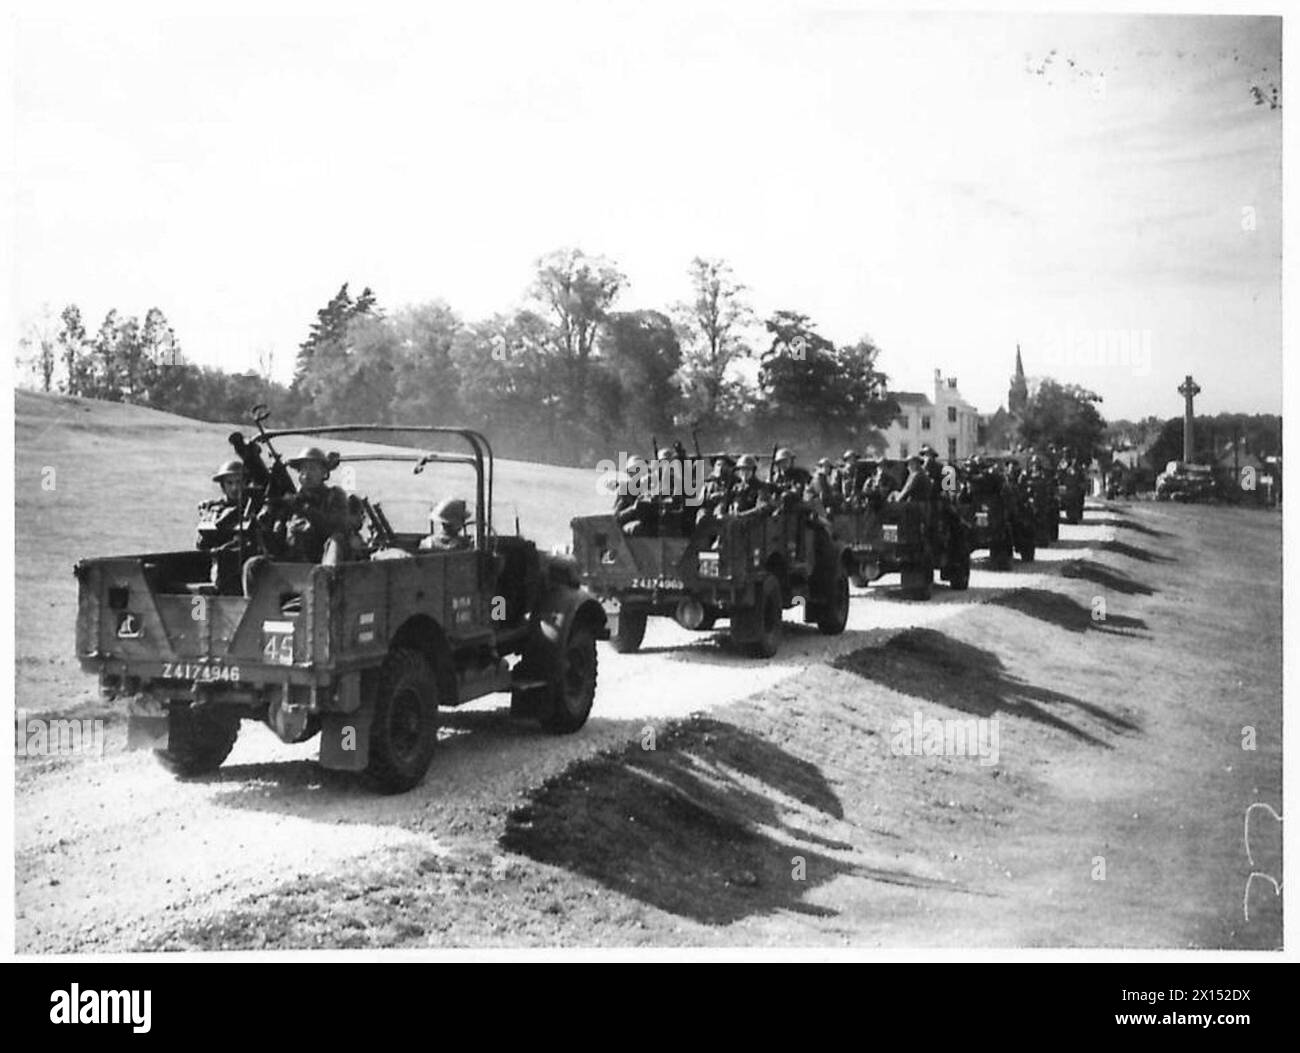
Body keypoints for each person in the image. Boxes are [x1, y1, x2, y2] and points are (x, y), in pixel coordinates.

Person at [260, 446, 350, 564]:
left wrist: (305, 509)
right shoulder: (293, 499)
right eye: (303, 469)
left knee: (336, 539)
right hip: (291, 566)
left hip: (322, 563)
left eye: (312, 468)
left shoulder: (334, 495)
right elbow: (273, 531)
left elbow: (339, 527)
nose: (307, 474)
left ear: (323, 473)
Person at [196, 459, 245, 553]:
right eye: (229, 483)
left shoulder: (252, 508)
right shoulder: (213, 508)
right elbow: (201, 543)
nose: (234, 488)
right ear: (223, 486)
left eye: (238, 482)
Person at [719, 454, 770, 518]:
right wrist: (722, 511)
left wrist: (742, 515)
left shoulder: (760, 487)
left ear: (753, 471)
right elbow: (726, 500)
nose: (744, 473)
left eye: (747, 469)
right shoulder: (735, 486)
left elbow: (762, 507)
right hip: (734, 521)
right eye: (742, 470)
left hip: (752, 523)